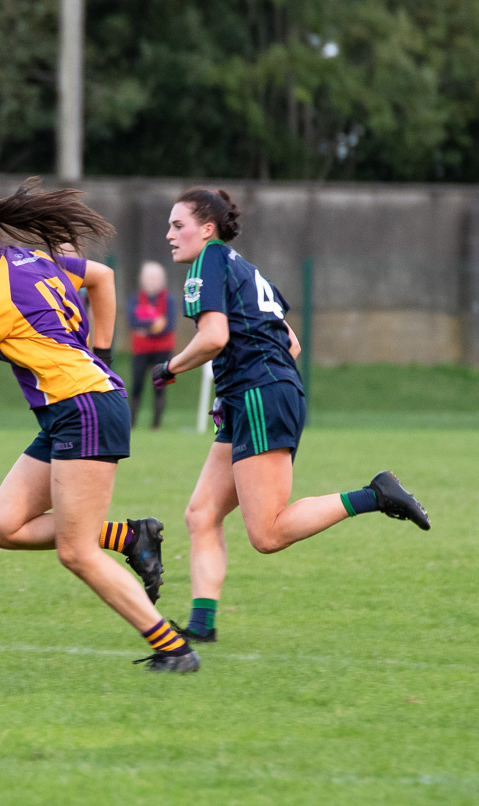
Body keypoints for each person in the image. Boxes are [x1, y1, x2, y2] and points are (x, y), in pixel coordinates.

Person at [0, 179, 198, 672]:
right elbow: (101, 277)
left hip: (83, 407)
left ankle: (174, 648)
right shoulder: (29, 259)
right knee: (2, 526)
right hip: (71, 408)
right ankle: (130, 537)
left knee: (76, 554)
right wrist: (101, 353)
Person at [153, 188, 431, 643]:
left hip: (258, 397)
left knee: (268, 532)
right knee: (202, 513)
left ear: (207, 229)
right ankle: (202, 626)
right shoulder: (242, 266)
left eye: (177, 225)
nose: (169, 235)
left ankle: (374, 495)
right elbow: (291, 344)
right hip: (255, 397)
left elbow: (214, 337)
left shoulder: (209, 262)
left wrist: (170, 367)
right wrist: (246, 388)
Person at [127, 260, 176, 429]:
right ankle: (132, 422)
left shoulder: (168, 300)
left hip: (163, 350)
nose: (152, 281)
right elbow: (133, 322)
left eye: (156, 277)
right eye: (149, 277)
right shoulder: (135, 299)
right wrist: (154, 324)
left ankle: (156, 424)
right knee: (137, 385)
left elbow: (169, 325)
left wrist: (146, 328)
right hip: (140, 350)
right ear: (142, 279)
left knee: (160, 385)